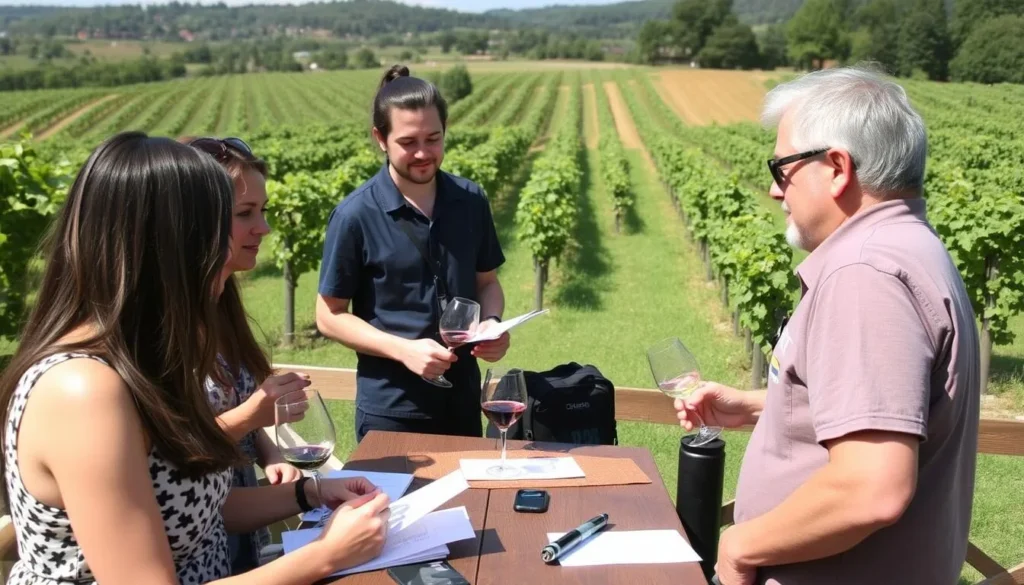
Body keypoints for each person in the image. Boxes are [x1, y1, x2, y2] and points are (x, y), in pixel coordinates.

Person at [0, 132, 390, 584]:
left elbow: (205, 507)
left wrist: (315, 492)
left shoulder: (152, 363)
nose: (232, 249)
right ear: (160, 247)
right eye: (214, 232)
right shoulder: (83, 390)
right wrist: (326, 555)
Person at [675, 66, 980, 585]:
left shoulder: (865, 274)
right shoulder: (911, 247)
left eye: (782, 168)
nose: (776, 191)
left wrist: (739, 547)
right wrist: (754, 405)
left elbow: (871, 486)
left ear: (837, 167)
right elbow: (886, 407)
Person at [316, 64, 510, 442]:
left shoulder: (471, 200)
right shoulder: (355, 215)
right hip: (391, 411)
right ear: (380, 138)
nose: (423, 153)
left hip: (463, 404)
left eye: (433, 139)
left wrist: (492, 324)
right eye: (408, 142)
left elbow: (487, 282)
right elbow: (328, 315)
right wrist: (403, 350)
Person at [185, 135, 310, 574]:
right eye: (245, 214)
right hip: (197, 534)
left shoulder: (221, 305)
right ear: (198, 221)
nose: (264, 228)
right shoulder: (164, 334)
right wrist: (256, 413)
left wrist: (272, 455)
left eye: (263, 211)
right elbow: (174, 451)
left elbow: (236, 405)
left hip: (232, 513)